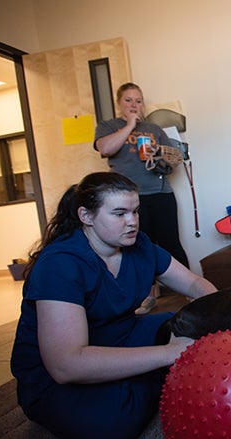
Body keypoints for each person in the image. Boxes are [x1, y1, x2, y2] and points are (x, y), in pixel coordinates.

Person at [10, 172, 217, 439]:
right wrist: (170, 354)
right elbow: (65, 365)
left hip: (119, 335)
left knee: (191, 326)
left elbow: (193, 283)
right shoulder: (60, 264)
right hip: (52, 376)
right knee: (109, 427)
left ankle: (144, 376)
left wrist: (221, 314)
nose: (132, 221)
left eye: (135, 212)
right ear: (86, 215)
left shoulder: (140, 245)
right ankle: (157, 378)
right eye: (119, 213)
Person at [94, 82, 188, 313]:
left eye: (138, 100)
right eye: (128, 100)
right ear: (119, 103)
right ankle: (146, 296)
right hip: (126, 200)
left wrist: (162, 157)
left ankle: (188, 291)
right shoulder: (109, 126)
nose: (134, 104)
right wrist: (129, 125)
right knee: (134, 246)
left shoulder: (154, 129)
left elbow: (174, 160)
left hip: (160, 193)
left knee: (171, 243)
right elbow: (105, 148)